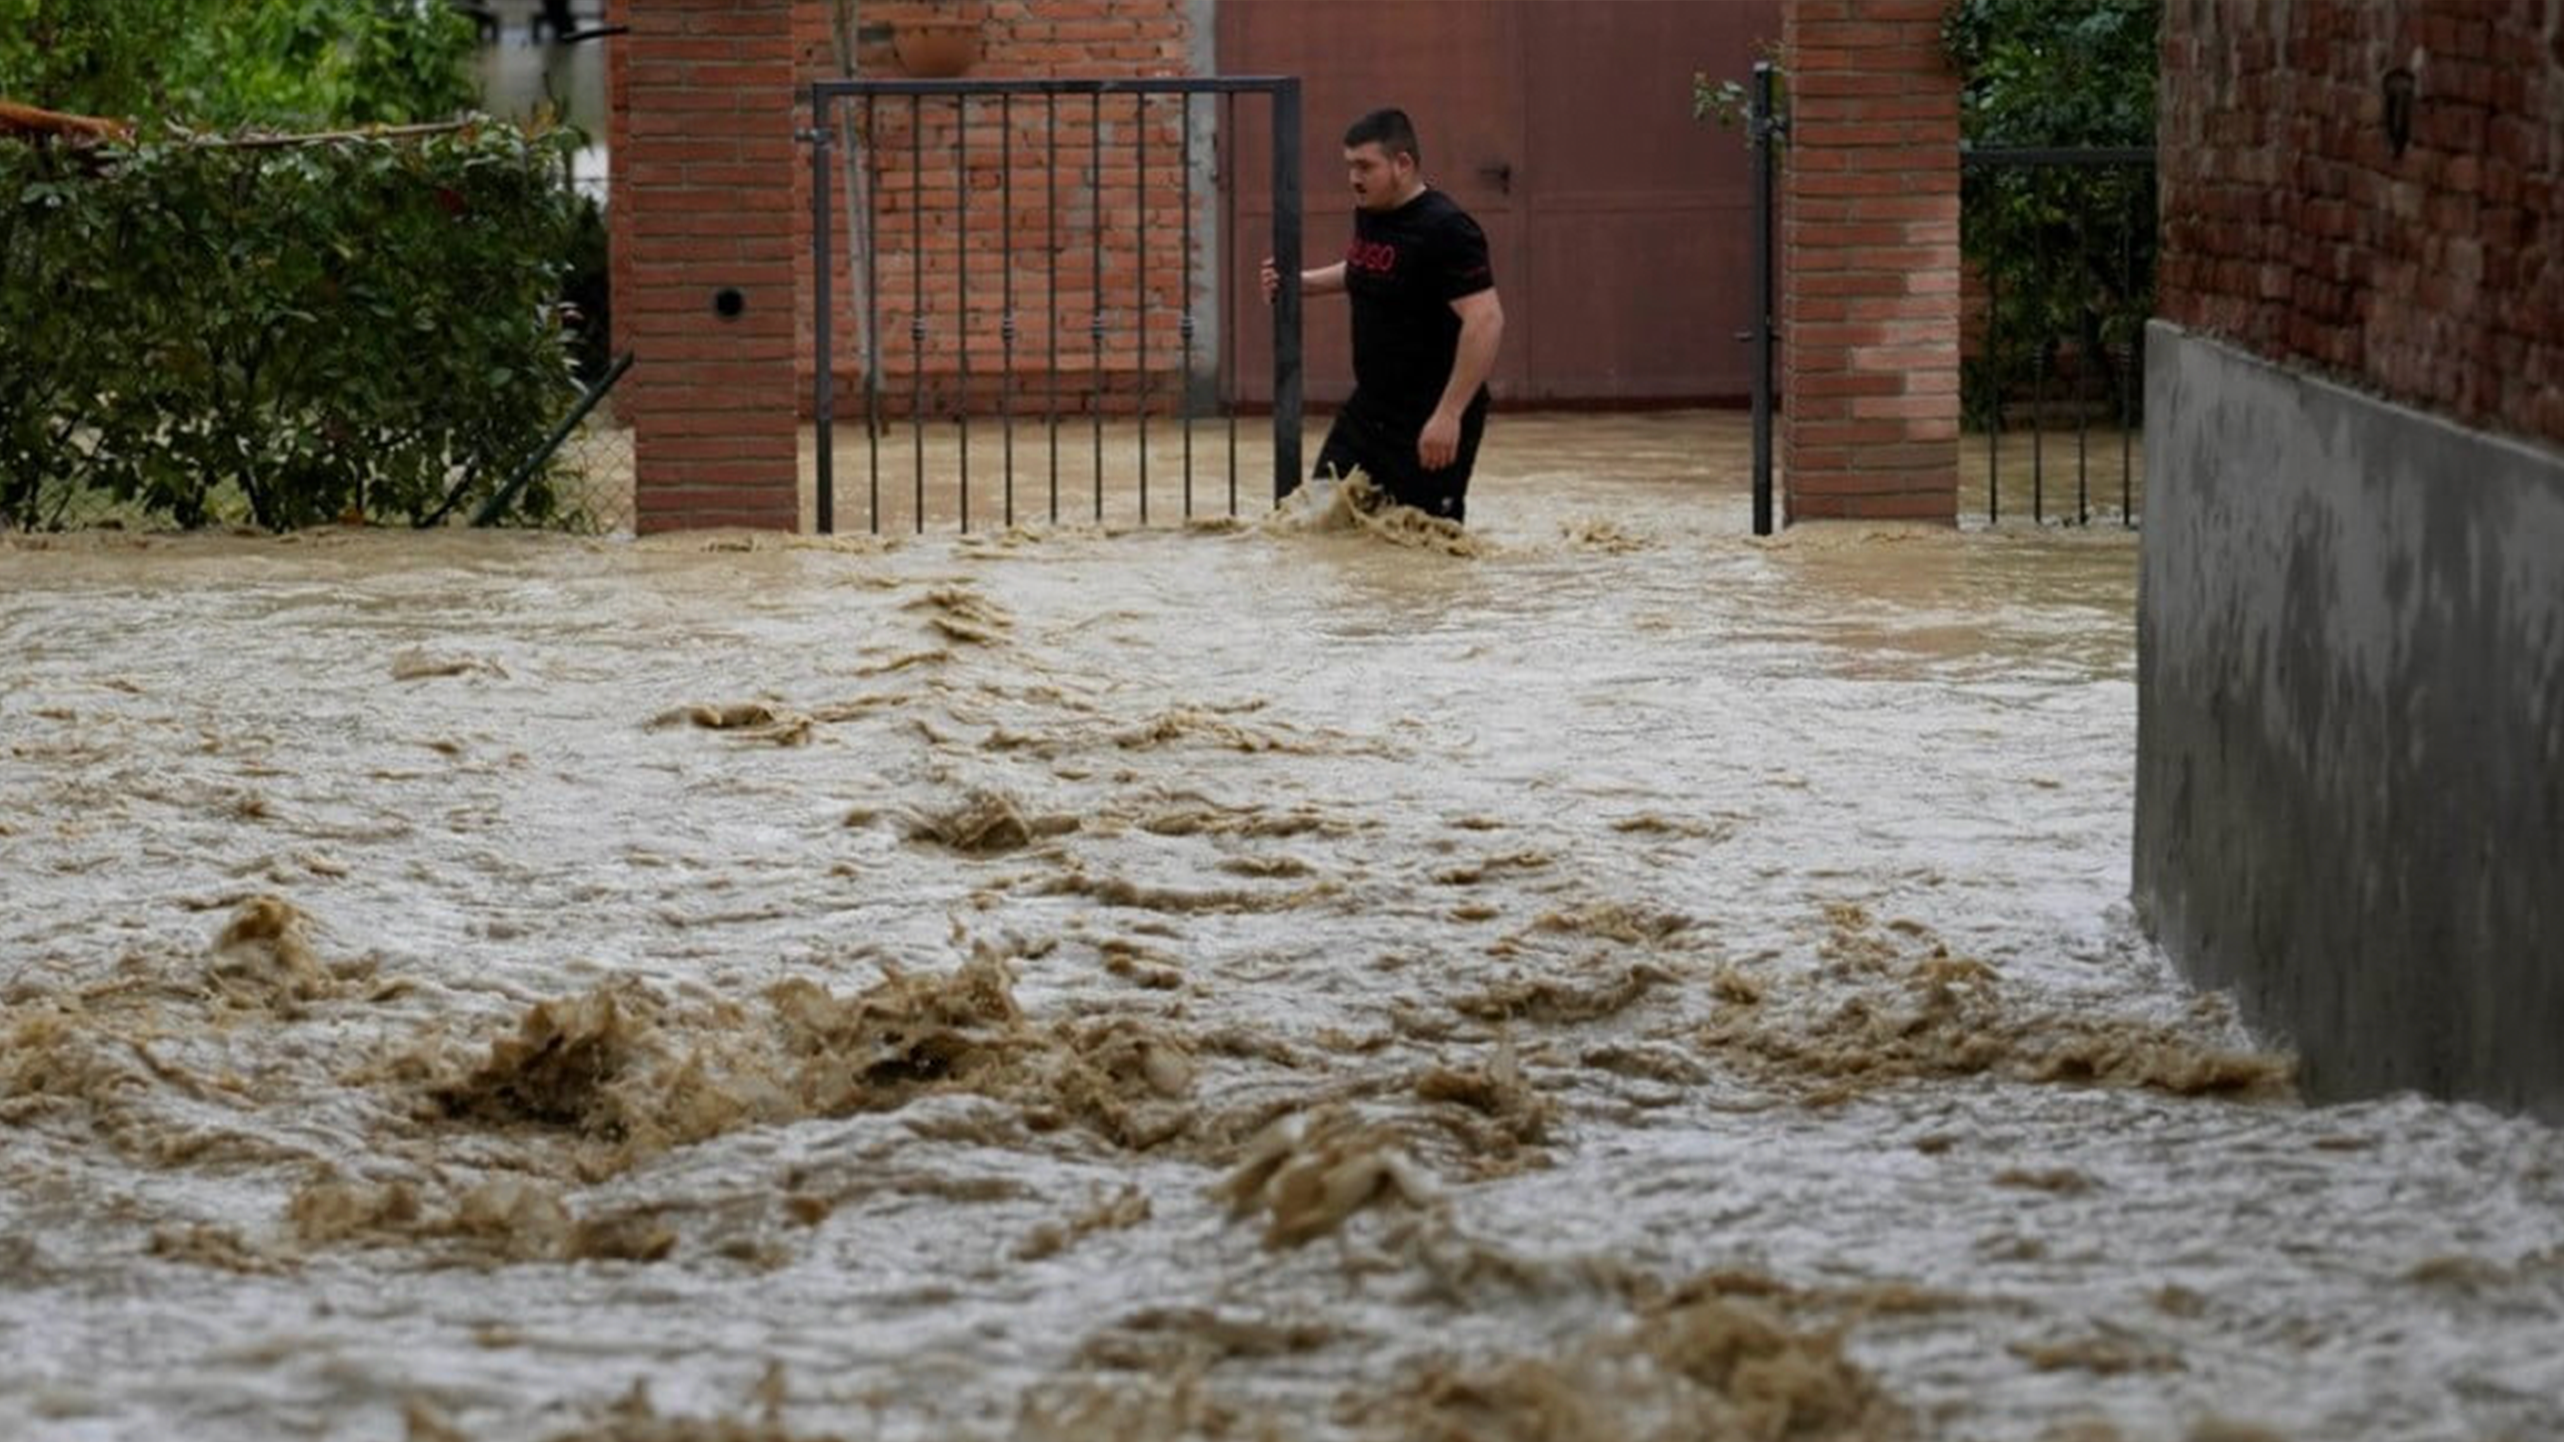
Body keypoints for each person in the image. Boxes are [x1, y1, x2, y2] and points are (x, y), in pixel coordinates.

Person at [1263, 108, 1505, 523]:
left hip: (1429, 418)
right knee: (1314, 520)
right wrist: (1301, 283)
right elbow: (1367, 268)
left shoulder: (1446, 227)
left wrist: (1448, 416)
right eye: (1349, 166)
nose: (1354, 178)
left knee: (1422, 545)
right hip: (1369, 409)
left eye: (1365, 166)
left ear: (1403, 164)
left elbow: (1486, 320)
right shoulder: (1373, 210)